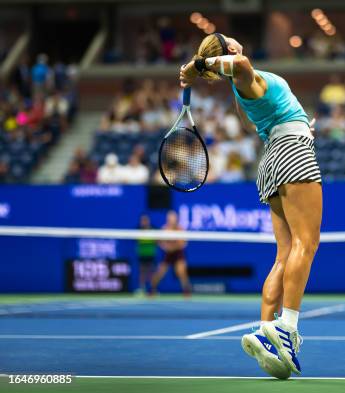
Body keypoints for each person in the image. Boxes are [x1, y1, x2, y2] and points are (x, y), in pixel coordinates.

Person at [179, 33, 322, 378]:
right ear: (229, 48)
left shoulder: (243, 90)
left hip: (273, 155)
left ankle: (264, 331)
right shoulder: (242, 72)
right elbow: (241, 64)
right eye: (230, 39)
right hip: (291, 152)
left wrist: (301, 124)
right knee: (307, 243)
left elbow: (269, 120)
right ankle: (286, 328)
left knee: (284, 254)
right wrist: (197, 66)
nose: (237, 40)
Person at [150, 211, 191, 297]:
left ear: (176, 219)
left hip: (178, 253)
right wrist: (165, 246)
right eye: (170, 218)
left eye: (173, 218)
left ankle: (186, 291)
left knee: (181, 271)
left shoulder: (180, 229)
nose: (172, 220)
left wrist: (172, 246)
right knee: (160, 272)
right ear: (168, 219)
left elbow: (182, 243)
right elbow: (159, 241)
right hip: (168, 254)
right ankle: (152, 290)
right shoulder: (164, 229)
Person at [135, 214, 156, 295]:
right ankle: (142, 289)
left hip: (151, 254)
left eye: (146, 220)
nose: (144, 222)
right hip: (142, 254)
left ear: (148, 221)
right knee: (142, 272)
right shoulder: (138, 230)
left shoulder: (153, 229)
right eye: (142, 220)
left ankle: (152, 289)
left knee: (152, 273)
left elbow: (157, 241)